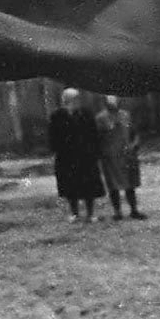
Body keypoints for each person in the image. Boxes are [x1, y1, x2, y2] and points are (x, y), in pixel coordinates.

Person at [48, 87, 105, 223]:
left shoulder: (86, 113)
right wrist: (56, 151)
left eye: (77, 98)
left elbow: (94, 134)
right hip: (67, 157)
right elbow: (53, 136)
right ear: (66, 100)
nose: (77, 101)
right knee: (70, 185)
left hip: (86, 156)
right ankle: (74, 214)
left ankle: (90, 214)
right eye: (73, 99)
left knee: (89, 185)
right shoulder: (57, 116)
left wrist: (95, 152)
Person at [94, 95, 146, 220]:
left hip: (127, 155)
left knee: (130, 183)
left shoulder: (125, 115)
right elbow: (96, 138)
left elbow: (135, 133)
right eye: (110, 99)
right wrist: (102, 153)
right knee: (113, 184)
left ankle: (134, 210)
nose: (113, 102)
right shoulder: (101, 118)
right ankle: (117, 212)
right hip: (111, 156)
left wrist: (134, 145)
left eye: (115, 99)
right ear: (105, 101)